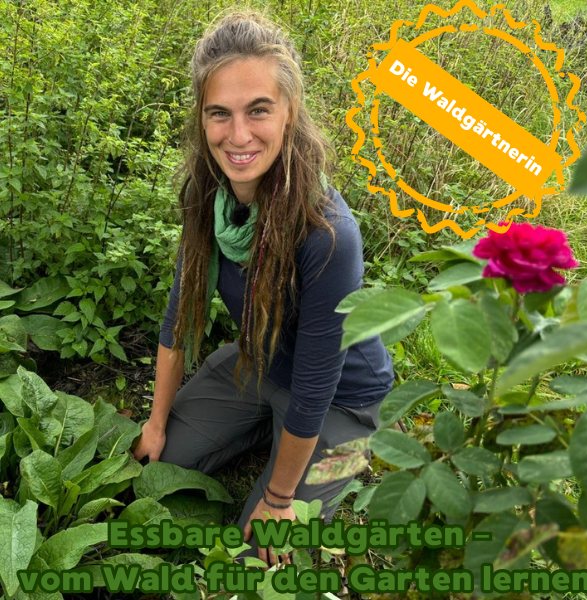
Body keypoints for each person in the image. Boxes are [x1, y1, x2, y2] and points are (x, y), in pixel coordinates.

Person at [132, 10, 394, 568]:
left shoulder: (328, 235)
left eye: (258, 110)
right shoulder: (208, 195)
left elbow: (317, 384)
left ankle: (345, 452)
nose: (238, 135)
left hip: (342, 400)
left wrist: (278, 500)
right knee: (154, 470)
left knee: (259, 555)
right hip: (259, 361)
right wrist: (155, 423)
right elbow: (178, 319)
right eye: (219, 114)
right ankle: (265, 429)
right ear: (202, 118)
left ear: (289, 111)